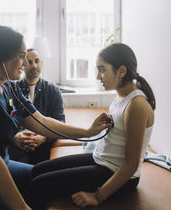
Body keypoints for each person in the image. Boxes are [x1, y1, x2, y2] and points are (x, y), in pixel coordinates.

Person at [0, 25, 110, 210]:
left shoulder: (8, 86)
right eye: (21, 56)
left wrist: (87, 132)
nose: (26, 64)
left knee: (48, 182)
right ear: (2, 57)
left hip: (4, 164)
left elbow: (42, 121)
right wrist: (22, 207)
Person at [29, 42, 156, 210]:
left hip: (117, 175)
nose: (98, 77)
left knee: (39, 184)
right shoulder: (120, 96)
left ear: (122, 71)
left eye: (102, 70)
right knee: (37, 170)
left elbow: (131, 164)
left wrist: (97, 196)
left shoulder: (136, 105)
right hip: (102, 161)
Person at [9, 48, 65, 164]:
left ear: (42, 63)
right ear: (23, 65)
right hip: (16, 148)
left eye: (37, 61)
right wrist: (15, 137)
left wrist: (43, 138)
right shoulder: (13, 89)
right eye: (29, 62)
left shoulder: (53, 90)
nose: (34, 66)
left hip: (43, 147)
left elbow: (60, 121)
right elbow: (6, 121)